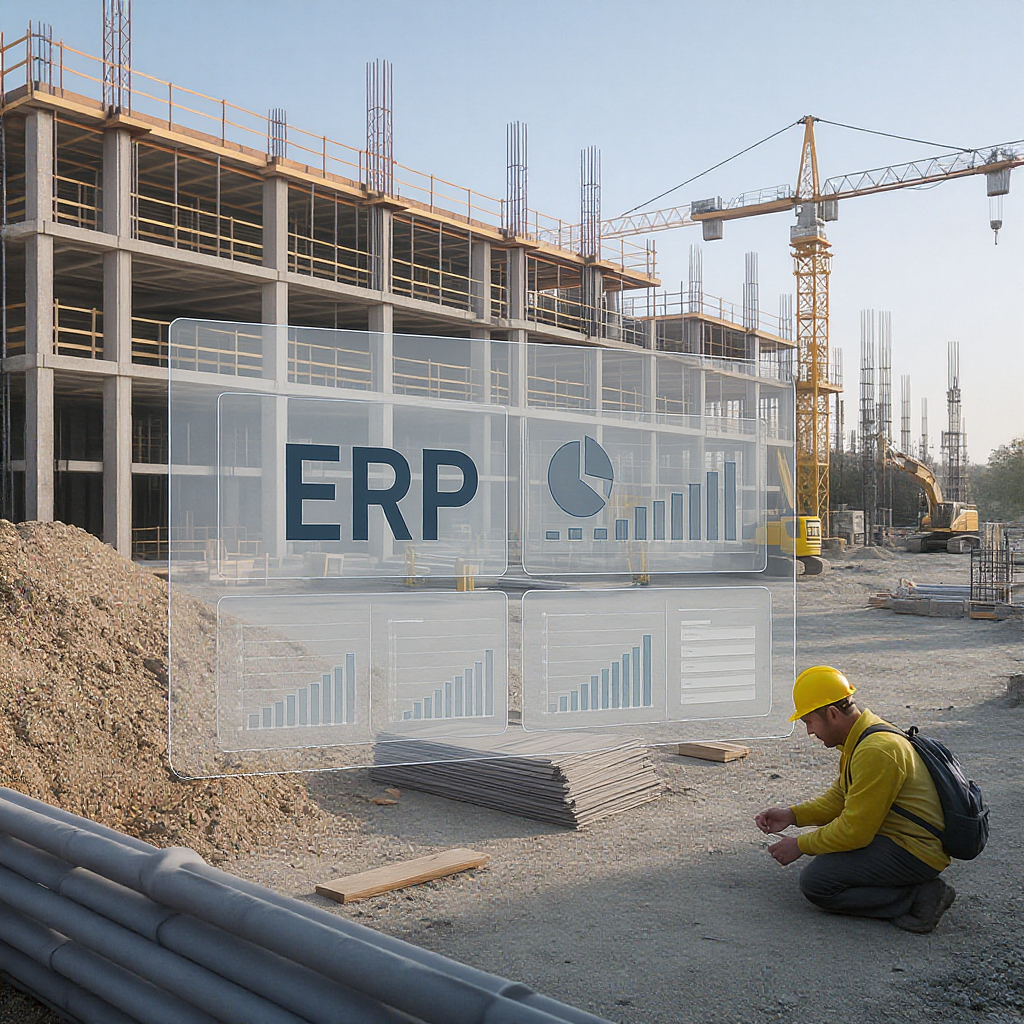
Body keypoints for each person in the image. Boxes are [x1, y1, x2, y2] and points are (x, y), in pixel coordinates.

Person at [755, 665, 955, 933]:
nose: (810, 732)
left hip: (915, 851)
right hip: (898, 839)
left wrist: (801, 845)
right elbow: (840, 799)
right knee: (827, 863)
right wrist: (792, 815)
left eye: (810, 722)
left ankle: (922, 896)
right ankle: (910, 889)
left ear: (832, 713)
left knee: (818, 882)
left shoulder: (876, 750)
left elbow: (855, 832)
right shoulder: (863, 736)